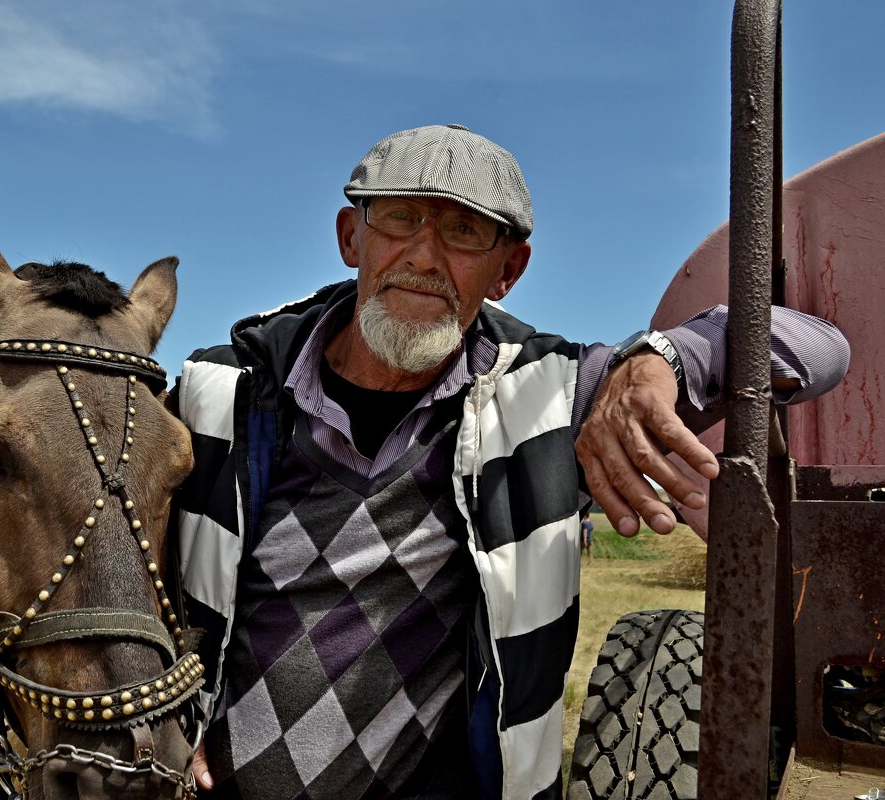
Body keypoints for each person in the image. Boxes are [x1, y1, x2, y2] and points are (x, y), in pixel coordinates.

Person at [170, 124, 849, 799]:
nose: (425, 256)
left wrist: (659, 361)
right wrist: (164, 714)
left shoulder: (557, 398)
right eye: (401, 219)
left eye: (464, 232)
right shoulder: (217, 395)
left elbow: (820, 349)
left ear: (508, 272)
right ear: (352, 237)